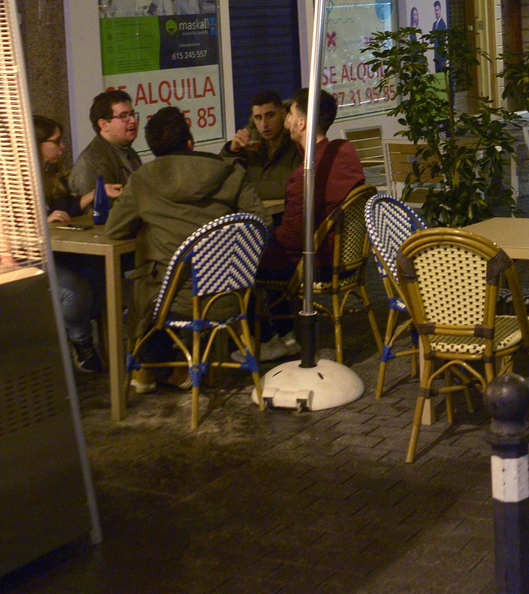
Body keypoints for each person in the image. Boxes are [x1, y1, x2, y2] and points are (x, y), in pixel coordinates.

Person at [105, 106, 266, 390]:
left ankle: (151, 368)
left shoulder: (144, 179)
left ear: (155, 152)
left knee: (139, 285)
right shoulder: (231, 172)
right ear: (190, 143)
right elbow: (260, 225)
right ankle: (177, 366)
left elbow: (115, 229)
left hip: (174, 301)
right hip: (232, 296)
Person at [256, 88, 369, 362]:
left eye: (291, 113)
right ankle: (286, 333)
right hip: (348, 261)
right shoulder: (344, 153)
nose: (286, 121)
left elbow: (293, 240)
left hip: (317, 264)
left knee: (244, 257)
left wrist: (263, 240)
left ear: (302, 122)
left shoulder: (307, 175)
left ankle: (264, 340)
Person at [35, 115, 102, 373]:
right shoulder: (16, 177)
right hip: (27, 258)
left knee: (98, 273)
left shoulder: (52, 173)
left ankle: (97, 343)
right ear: (38, 144)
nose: (63, 147)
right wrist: (42, 220)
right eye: (57, 141)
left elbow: (64, 208)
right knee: (74, 290)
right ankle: (82, 344)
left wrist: (92, 196)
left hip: (55, 251)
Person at [223, 89, 301, 209]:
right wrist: (232, 151)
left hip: (284, 216)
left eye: (270, 115)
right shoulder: (251, 144)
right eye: (258, 118)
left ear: (283, 114)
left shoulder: (297, 143)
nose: (264, 124)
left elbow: (294, 187)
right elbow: (222, 179)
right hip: (253, 217)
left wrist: (245, 188)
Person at [68, 90, 143, 199]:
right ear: (104, 125)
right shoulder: (92, 162)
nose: (132, 120)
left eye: (132, 114)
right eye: (123, 116)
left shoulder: (128, 151)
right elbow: (95, 210)